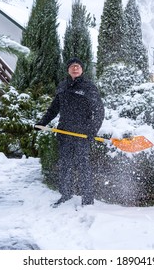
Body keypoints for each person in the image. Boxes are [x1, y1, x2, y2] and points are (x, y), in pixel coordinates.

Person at [35, 57, 105, 207]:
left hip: (82, 134)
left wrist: (92, 130)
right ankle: (65, 194)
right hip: (64, 133)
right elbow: (54, 108)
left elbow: (99, 111)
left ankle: (87, 200)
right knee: (65, 165)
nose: (75, 68)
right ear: (68, 69)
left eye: (78, 66)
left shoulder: (89, 87)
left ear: (82, 69)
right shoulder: (62, 86)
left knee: (83, 166)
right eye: (72, 66)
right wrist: (42, 122)